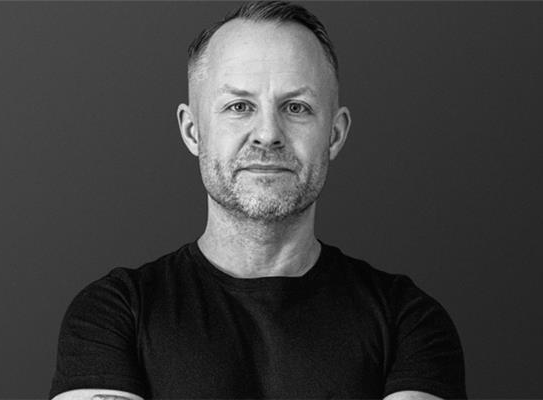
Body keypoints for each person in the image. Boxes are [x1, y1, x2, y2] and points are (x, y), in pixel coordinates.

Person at [49, 2, 467, 399]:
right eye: (239, 106)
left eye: (297, 107)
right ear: (193, 131)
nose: (268, 134)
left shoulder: (407, 320)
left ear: (335, 134)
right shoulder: (115, 313)